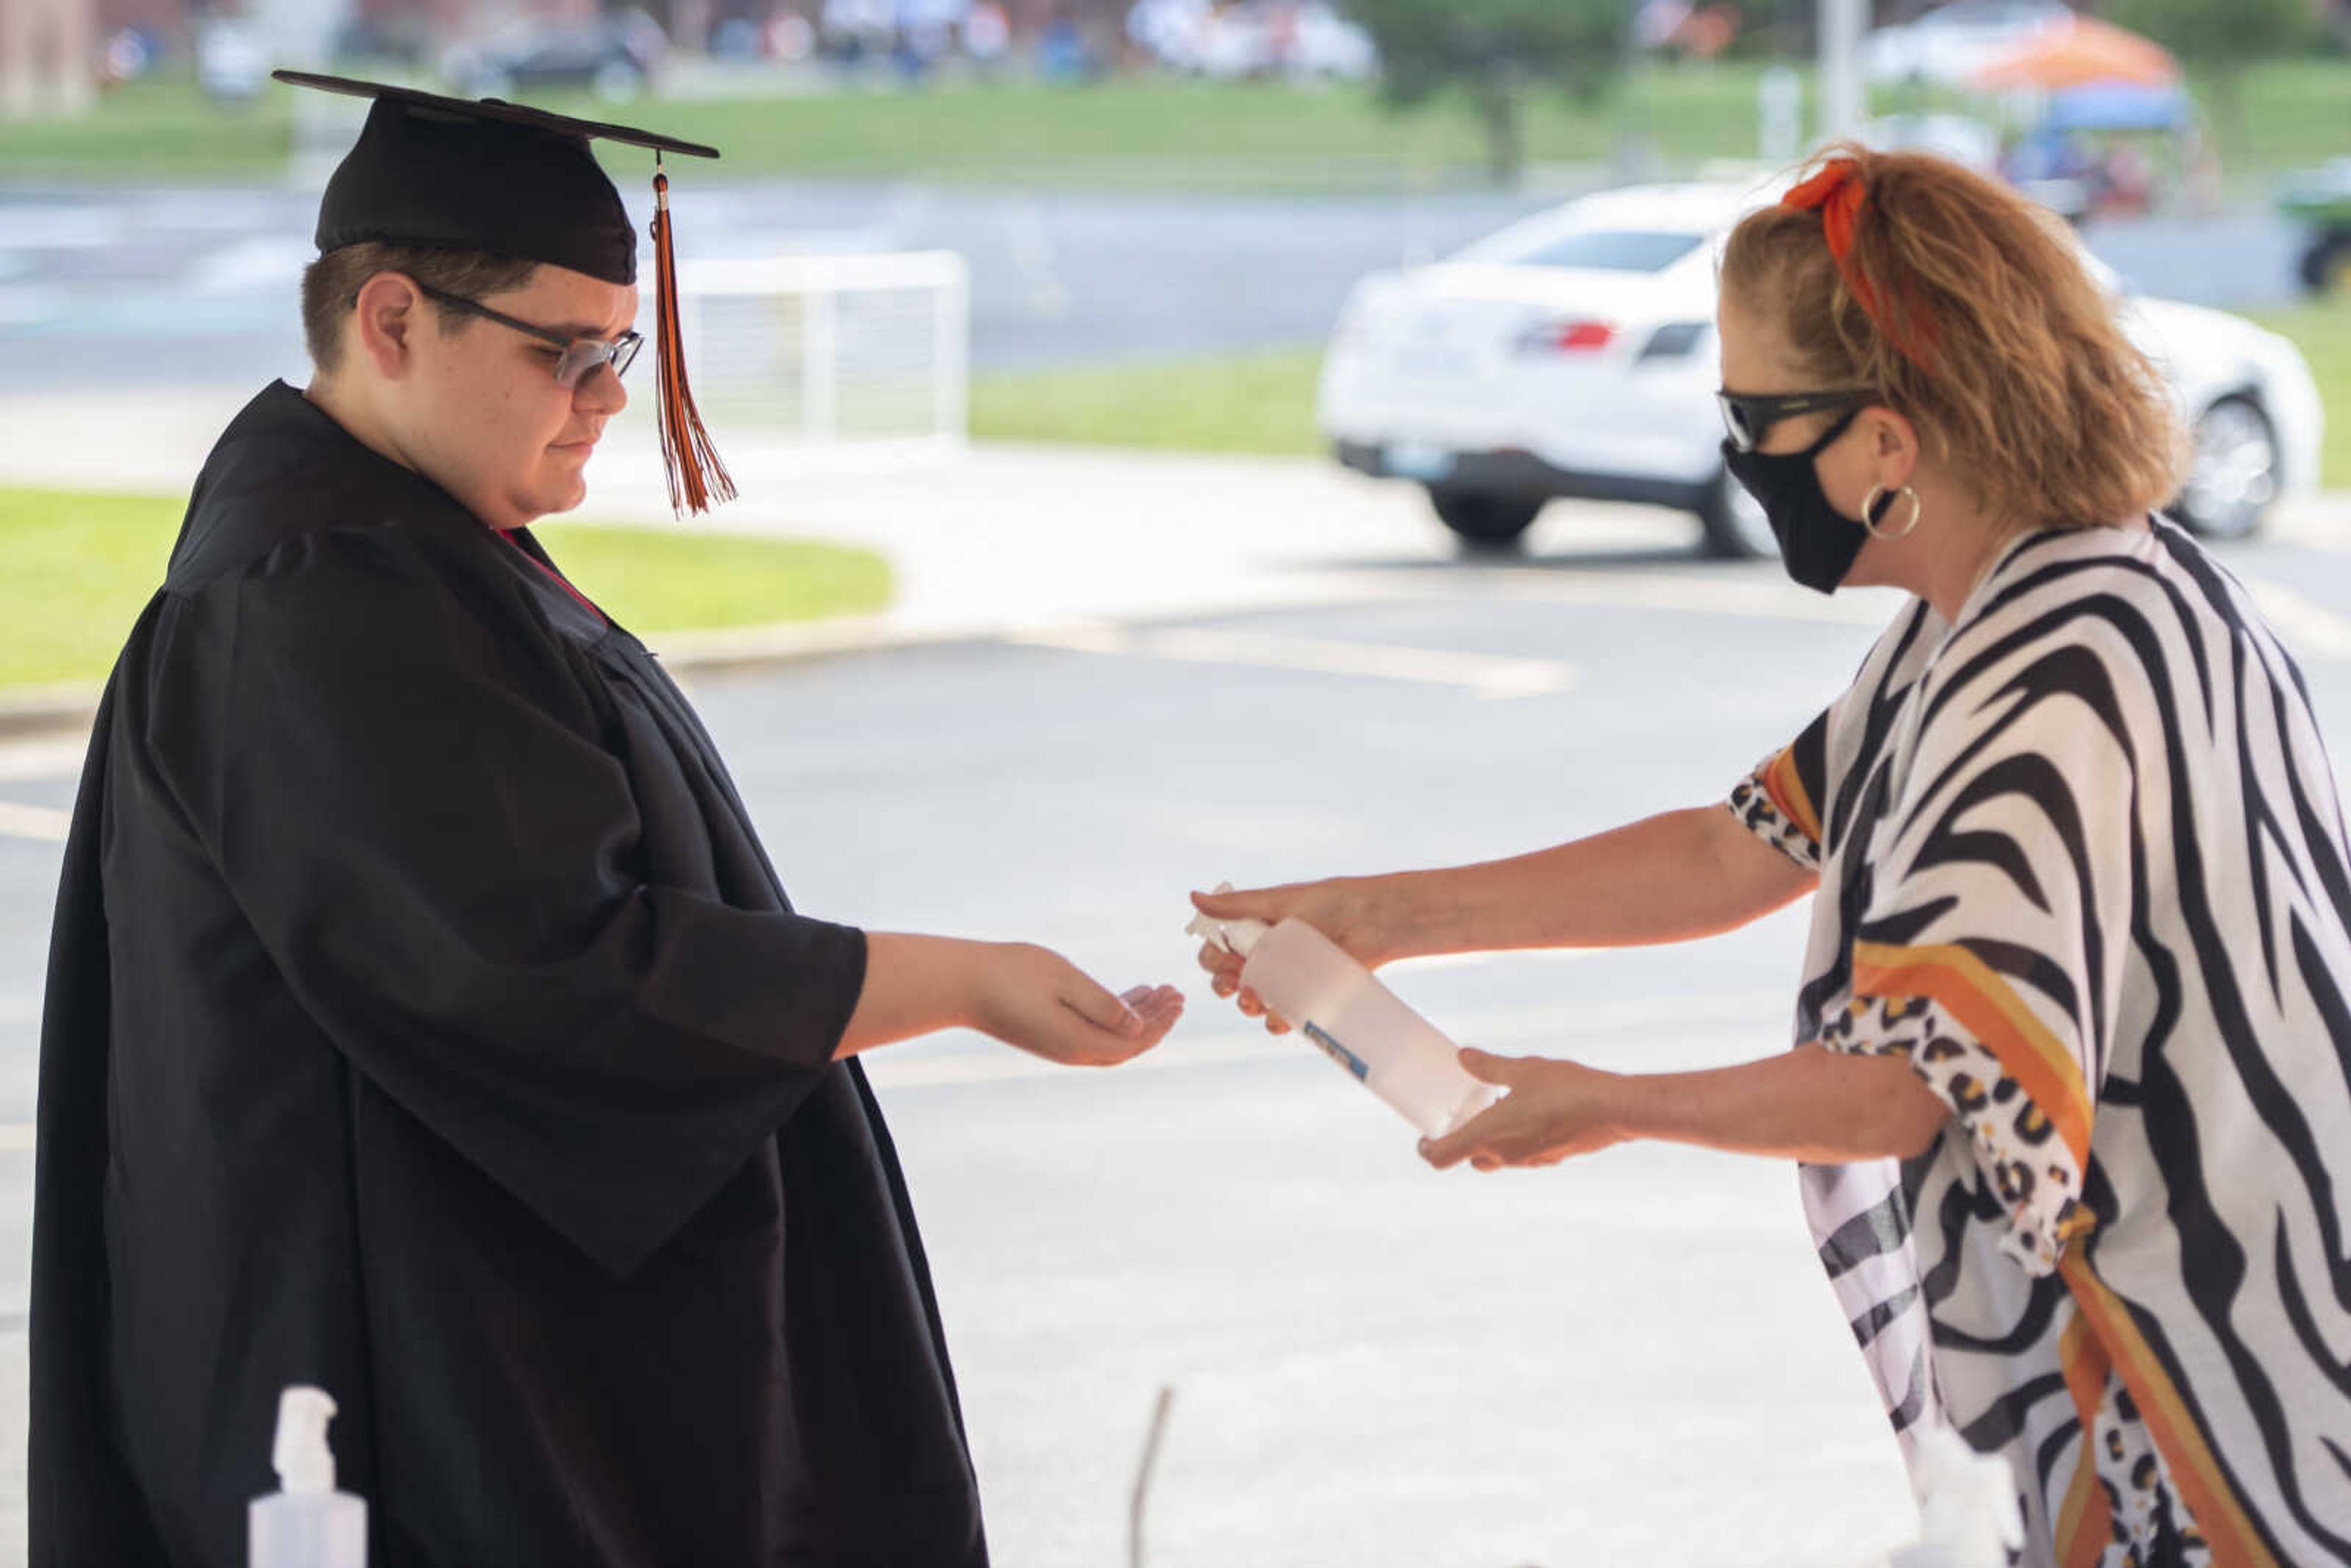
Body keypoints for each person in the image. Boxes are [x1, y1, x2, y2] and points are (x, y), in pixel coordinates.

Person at [32, 76, 1182, 1568]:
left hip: (486, 1343)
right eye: (566, 351)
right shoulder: (324, 593)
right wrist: (952, 982)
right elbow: (551, 981)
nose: (613, 397)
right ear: (392, 323)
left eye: (616, 348)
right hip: (424, 1388)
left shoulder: (417, 546)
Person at [1195, 146, 2351, 1567]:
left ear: (1889, 442)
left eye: (1754, 417)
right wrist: (1379, 917)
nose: (1740, 456)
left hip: (2218, 1414)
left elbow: (1903, 1090)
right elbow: (1732, 851)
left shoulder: (2059, 673)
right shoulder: (2021, 596)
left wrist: (1607, 1102)